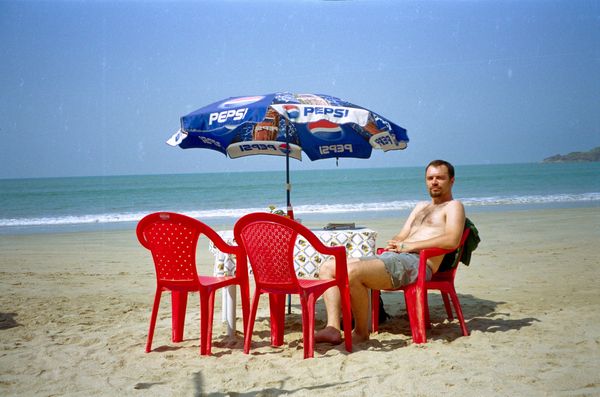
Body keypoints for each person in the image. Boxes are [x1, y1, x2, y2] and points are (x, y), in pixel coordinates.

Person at [315, 159, 466, 344]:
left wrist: (411, 246)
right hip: (396, 257)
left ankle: (361, 332)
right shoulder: (421, 207)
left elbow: (452, 240)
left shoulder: (454, 206)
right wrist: (396, 241)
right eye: (430, 178)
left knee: (352, 272)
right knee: (328, 267)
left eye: (440, 178)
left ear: (451, 181)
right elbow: (403, 234)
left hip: (417, 263)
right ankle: (332, 328)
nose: (434, 182)